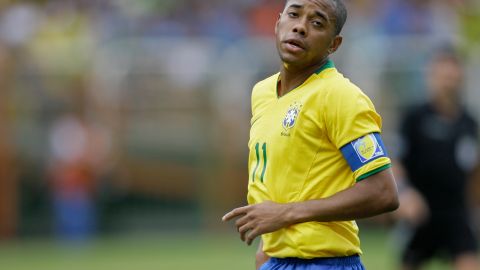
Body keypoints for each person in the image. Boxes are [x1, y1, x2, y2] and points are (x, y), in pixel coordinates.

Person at [222, 0, 399, 269]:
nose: (301, 28)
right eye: (294, 15)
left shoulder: (340, 96)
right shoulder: (262, 92)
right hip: (276, 260)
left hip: (327, 262)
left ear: (334, 44)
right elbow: (279, 180)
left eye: (317, 23)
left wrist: (286, 214)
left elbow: (383, 192)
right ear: (278, 22)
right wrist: (266, 248)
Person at [396, 47, 479, 270]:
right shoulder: (414, 117)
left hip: (456, 213)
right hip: (421, 212)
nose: (448, 80)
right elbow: (396, 162)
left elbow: (473, 173)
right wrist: (405, 193)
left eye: (453, 74)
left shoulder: (469, 122)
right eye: (443, 74)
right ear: (431, 75)